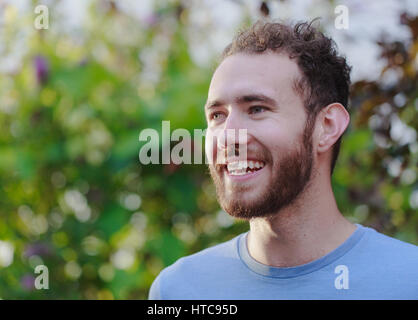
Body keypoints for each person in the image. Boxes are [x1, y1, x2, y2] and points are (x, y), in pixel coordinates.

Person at [148, 20, 418, 299]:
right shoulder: (179, 290)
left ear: (326, 126)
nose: (228, 136)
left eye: (256, 109)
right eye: (217, 115)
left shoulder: (409, 282)